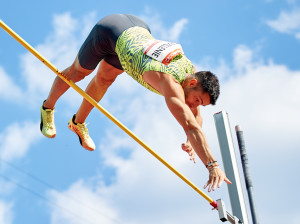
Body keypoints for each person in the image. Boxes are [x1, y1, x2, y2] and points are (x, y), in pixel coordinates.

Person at [40, 14, 231, 192]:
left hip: (136, 34)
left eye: (200, 104)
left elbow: (195, 118)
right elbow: (190, 124)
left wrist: (191, 141)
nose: (194, 106)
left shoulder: (191, 71)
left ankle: (77, 122)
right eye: (197, 100)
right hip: (109, 31)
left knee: (105, 80)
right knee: (78, 72)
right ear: (192, 83)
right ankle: (48, 107)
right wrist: (212, 165)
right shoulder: (170, 83)